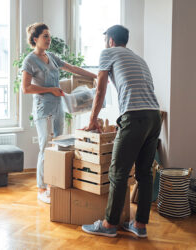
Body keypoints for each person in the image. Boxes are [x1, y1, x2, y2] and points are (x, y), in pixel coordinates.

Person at [81, 25, 161, 238]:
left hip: (135, 117)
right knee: (144, 174)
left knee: (118, 173)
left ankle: (108, 225)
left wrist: (92, 120)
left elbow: (100, 88)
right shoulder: (138, 58)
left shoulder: (108, 52)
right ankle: (140, 225)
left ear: (110, 40)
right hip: (154, 116)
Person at [21, 23, 97, 204]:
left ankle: (53, 184)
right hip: (43, 110)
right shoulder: (29, 61)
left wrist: (95, 76)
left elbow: (73, 68)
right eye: (45, 36)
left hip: (58, 108)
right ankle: (41, 188)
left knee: (60, 145)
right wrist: (49, 90)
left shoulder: (52, 57)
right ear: (35, 39)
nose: (49, 39)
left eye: (49, 36)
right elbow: (25, 88)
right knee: (45, 147)